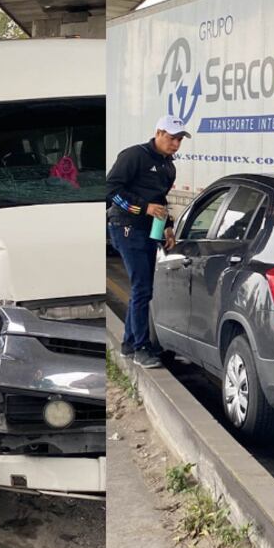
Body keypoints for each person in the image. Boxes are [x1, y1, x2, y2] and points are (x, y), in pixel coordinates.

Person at [106, 115, 187, 369]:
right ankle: (140, 347)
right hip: (125, 226)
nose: (176, 144)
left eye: (180, 139)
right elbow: (110, 191)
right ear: (159, 133)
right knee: (142, 287)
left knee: (144, 287)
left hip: (150, 230)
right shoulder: (134, 156)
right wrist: (142, 208)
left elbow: (160, 202)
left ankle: (131, 344)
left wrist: (169, 227)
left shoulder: (169, 166)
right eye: (172, 138)